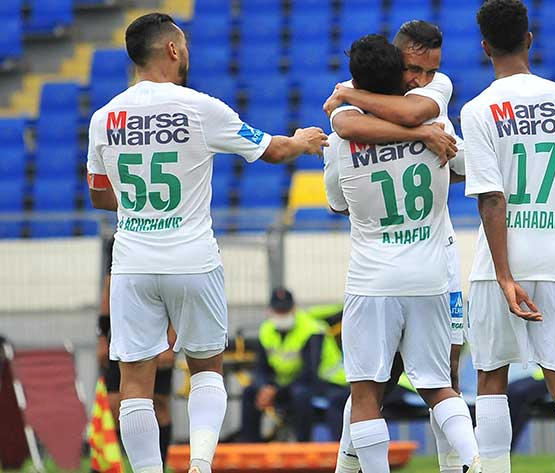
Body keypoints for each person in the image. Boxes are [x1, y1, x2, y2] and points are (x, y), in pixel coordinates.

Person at [86, 12, 328, 473]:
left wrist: (140, 208)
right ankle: (199, 463)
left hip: (133, 262)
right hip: (193, 259)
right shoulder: (199, 108)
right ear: (172, 49)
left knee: (134, 385)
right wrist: (300, 140)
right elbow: (272, 150)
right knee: (206, 370)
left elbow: (99, 195)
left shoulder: (104, 118)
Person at [323, 34, 481, 473]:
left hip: (372, 280)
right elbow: (464, 166)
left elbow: (337, 203)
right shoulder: (438, 128)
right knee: (439, 385)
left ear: (356, 81)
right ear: (399, 72)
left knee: (366, 392)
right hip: (430, 276)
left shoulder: (340, 139)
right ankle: (475, 459)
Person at [461, 1, 555, 472]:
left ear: (485, 47)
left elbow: (491, 199)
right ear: (529, 39)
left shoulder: (478, 110)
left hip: (497, 267)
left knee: (491, 378)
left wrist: (506, 277)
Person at [96, 235, 174, 465]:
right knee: (116, 404)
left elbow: (176, 296)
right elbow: (109, 289)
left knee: (158, 402)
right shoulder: (121, 239)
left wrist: (170, 342)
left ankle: (160, 463)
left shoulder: (165, 241)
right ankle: (133, 462)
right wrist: (102, 337)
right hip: (126, 335)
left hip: (158, 335)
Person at [238, 288, 348, 442]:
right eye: (278, 311)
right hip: (287, 386)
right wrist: (264, 387)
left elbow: (309, 373)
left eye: (285, 310)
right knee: (250, 392)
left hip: (324, 384)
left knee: (301, 394)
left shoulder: (311, 329)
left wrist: (275, 391)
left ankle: (303, 446)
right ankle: (250, 447)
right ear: (270, 310)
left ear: (294, 308)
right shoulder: (266, 330)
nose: (282, 314)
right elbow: (261, 368)